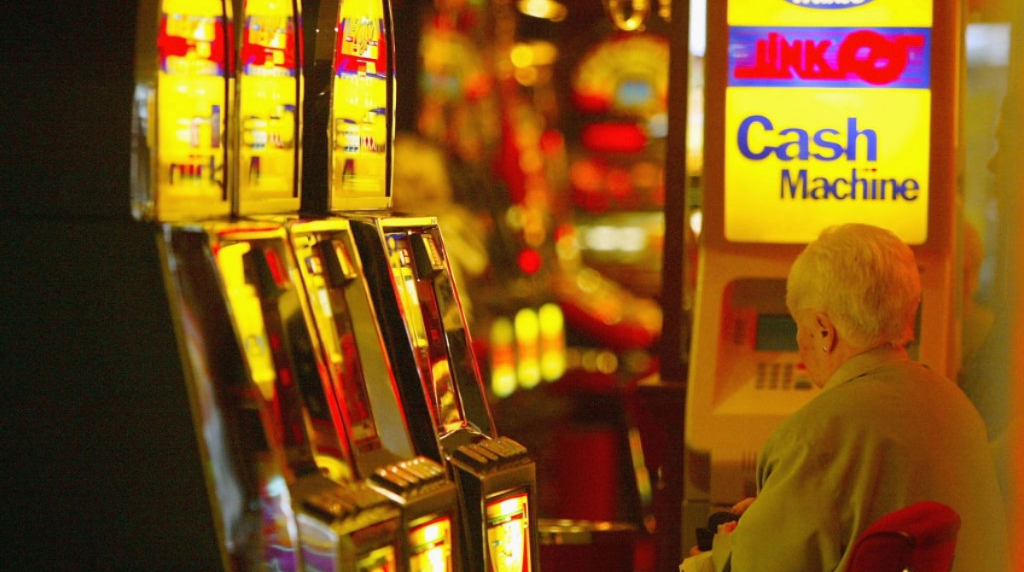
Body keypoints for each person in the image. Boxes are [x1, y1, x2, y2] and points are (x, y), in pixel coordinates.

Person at [695, 223, 1008, 572]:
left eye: (799, 325)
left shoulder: (812, 438)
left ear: (824, 331)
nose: (799, 342)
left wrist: (712, 552)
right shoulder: (954, 402)